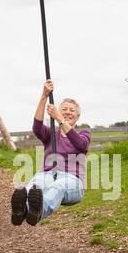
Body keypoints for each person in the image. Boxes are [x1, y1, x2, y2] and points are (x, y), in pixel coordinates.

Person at [11, 79, 91, 226]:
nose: (67, 112)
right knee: (36, 185)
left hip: (72, 180)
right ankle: (21, 211)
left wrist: (59, 118)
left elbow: (81, 145)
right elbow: (37, 127)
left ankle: (39, 211)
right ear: (58, 111)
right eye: (64, 109)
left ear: (78, 117)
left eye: (72, 110)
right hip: (47, 174)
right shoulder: (51, 134)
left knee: (59, 187)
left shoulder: (84, 133)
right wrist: (44, 96)